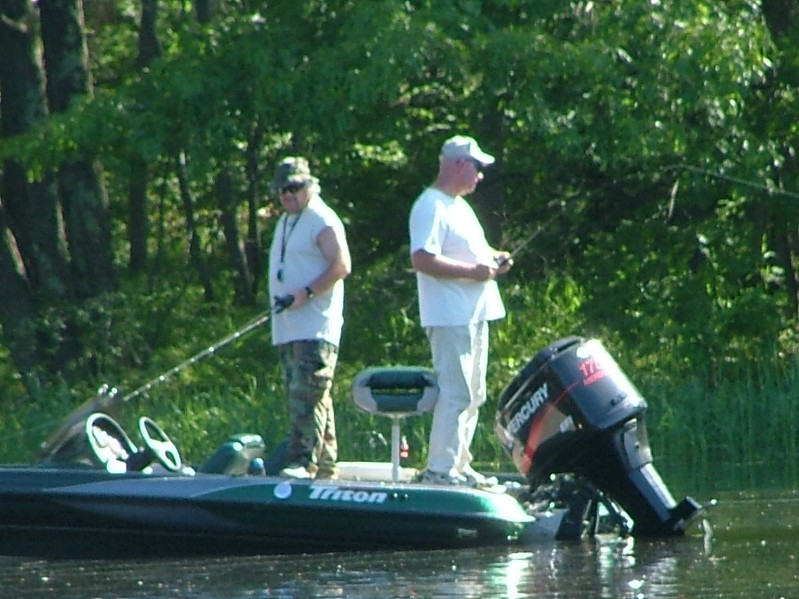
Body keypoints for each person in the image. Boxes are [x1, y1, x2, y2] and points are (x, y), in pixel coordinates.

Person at [408, 135, 513, 487]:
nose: (480, 175)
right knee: (455, 391)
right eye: (477, 167)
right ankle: (439, 469)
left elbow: (472, 251)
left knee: (475, 393)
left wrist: (495, 258)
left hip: (474, 313)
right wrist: (474, 272)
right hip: (450, 315)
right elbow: (422, 258)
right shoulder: (431, 206)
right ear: (459, 165)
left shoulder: (460, 207)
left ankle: (459, 464)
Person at [267, 156, 351, 480]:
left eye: (294, 188)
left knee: (307, 393)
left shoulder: (322, 218)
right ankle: (326, 462)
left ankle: (304, 462)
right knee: (309, 394)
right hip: (288, 328)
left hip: (315, 327)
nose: (288, 195)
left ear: (309, 186)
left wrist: (308, 292)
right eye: (281, 190)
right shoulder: (287, 221)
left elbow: (341, 265)